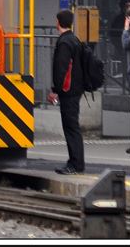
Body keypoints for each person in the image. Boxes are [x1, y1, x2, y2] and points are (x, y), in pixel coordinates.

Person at [47, 9, 85, 175]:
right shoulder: (75, 39)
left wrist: (55, 90)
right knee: (73, 126)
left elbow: (61, 69)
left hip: (68, 91)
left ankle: (75, 164)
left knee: (71, 127)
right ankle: (76, 163)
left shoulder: (64, 43)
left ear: (58, 22)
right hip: (76, 89)